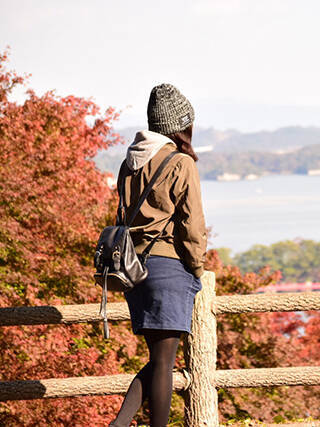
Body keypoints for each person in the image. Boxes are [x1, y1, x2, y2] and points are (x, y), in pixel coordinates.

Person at [110, 84, 207, 427]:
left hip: (134, 269)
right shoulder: (181, 162)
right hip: (168, 267)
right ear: (181, 126)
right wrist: (197, 268)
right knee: (164, 363)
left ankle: (119, 424)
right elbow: (192, 225)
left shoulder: (129, 163)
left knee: (157, 360)